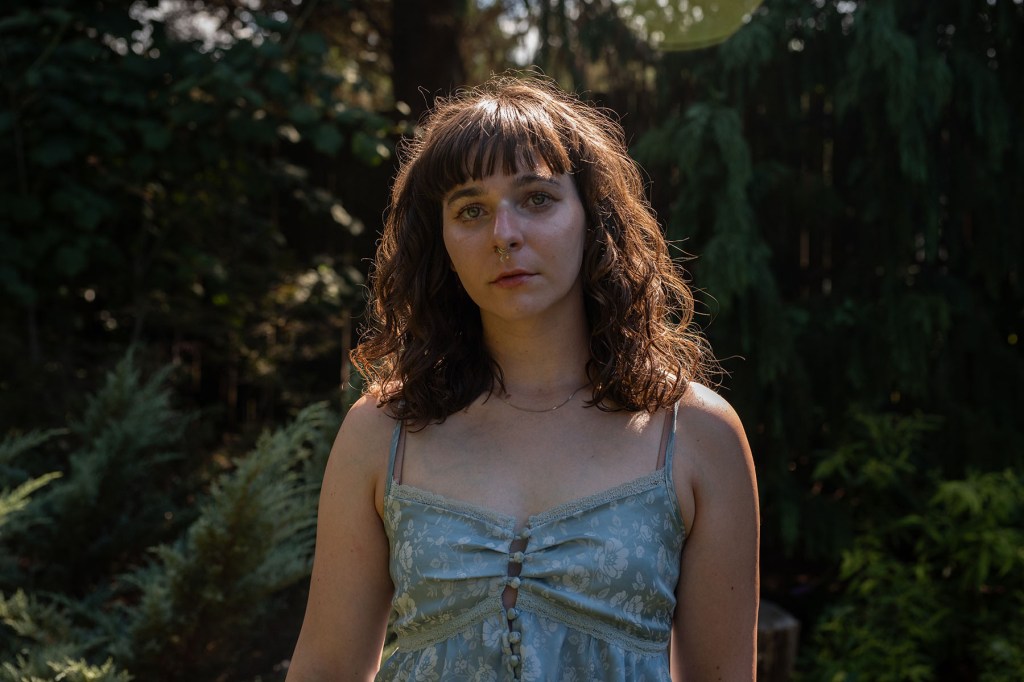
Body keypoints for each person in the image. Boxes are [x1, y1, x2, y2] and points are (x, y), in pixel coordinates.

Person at [285, 74, 759, 681]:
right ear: (442, 242)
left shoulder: (695, 434)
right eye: (471, 209)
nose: (504, 235)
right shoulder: (382, 431)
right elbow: (325, 668)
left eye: (536, 198)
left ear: (594, 218)